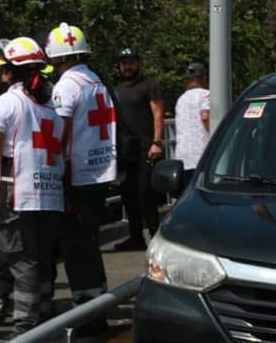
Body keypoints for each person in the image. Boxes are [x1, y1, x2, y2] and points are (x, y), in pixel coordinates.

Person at [0, 37, 64, 342]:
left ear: (12, 72)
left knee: (22, 263)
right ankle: (43, 318)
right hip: (51, 193)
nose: (1, 75)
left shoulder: (6, 103)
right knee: (42, 261)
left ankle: (25, 330)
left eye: (3, 70)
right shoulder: (50, 105)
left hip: (17, 194)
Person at [47, 22, 116, 338]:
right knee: (89, 245)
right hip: (99, 173)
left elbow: (58, 135)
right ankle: (97, 307)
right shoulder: (96, 81)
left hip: (75, 177)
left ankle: (88, 317)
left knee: (77, 250)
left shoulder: (66, 87)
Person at [115, 48, 164, 251]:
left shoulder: (149, 85)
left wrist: (157, 141)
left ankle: (156, 236)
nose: (128, 66)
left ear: (138, 63)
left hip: (146, 148)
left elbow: (158, 113)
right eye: (124, 62)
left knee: (145, 194)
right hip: (125, 151)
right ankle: (135, 237)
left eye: (131, 62)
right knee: (128, 195)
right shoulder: (116, 89)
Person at [175, 62, 210, 185]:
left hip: (183, 158)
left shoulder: (181, 99)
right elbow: (206, 117)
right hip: (203, 156)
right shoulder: (206, 95)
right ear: (204, 78)